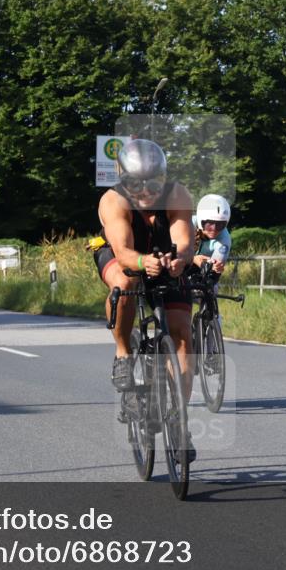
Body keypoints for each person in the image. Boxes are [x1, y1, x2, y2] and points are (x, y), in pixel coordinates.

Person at [92, 138, 196, 458]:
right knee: (124, 283)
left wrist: (180, 259)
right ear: (122, 177)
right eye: (135, 183)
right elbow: (123, 252)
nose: (146, 191)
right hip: (124, 259)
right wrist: (140, 263)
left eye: (154, 183)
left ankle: (179, 419)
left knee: (181, 333)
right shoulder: (113, 201)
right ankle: (124, 353)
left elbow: (185, 240)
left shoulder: (177, 194)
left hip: (165, 261)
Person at [191, 194, 232, 279]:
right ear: (200, 220)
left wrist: (216, 267)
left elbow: (213, 275)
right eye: (209, 223)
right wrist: (192, 259)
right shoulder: (187, 224)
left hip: (200, 273)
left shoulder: (225, 238)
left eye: (220, 224)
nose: (214, 229)